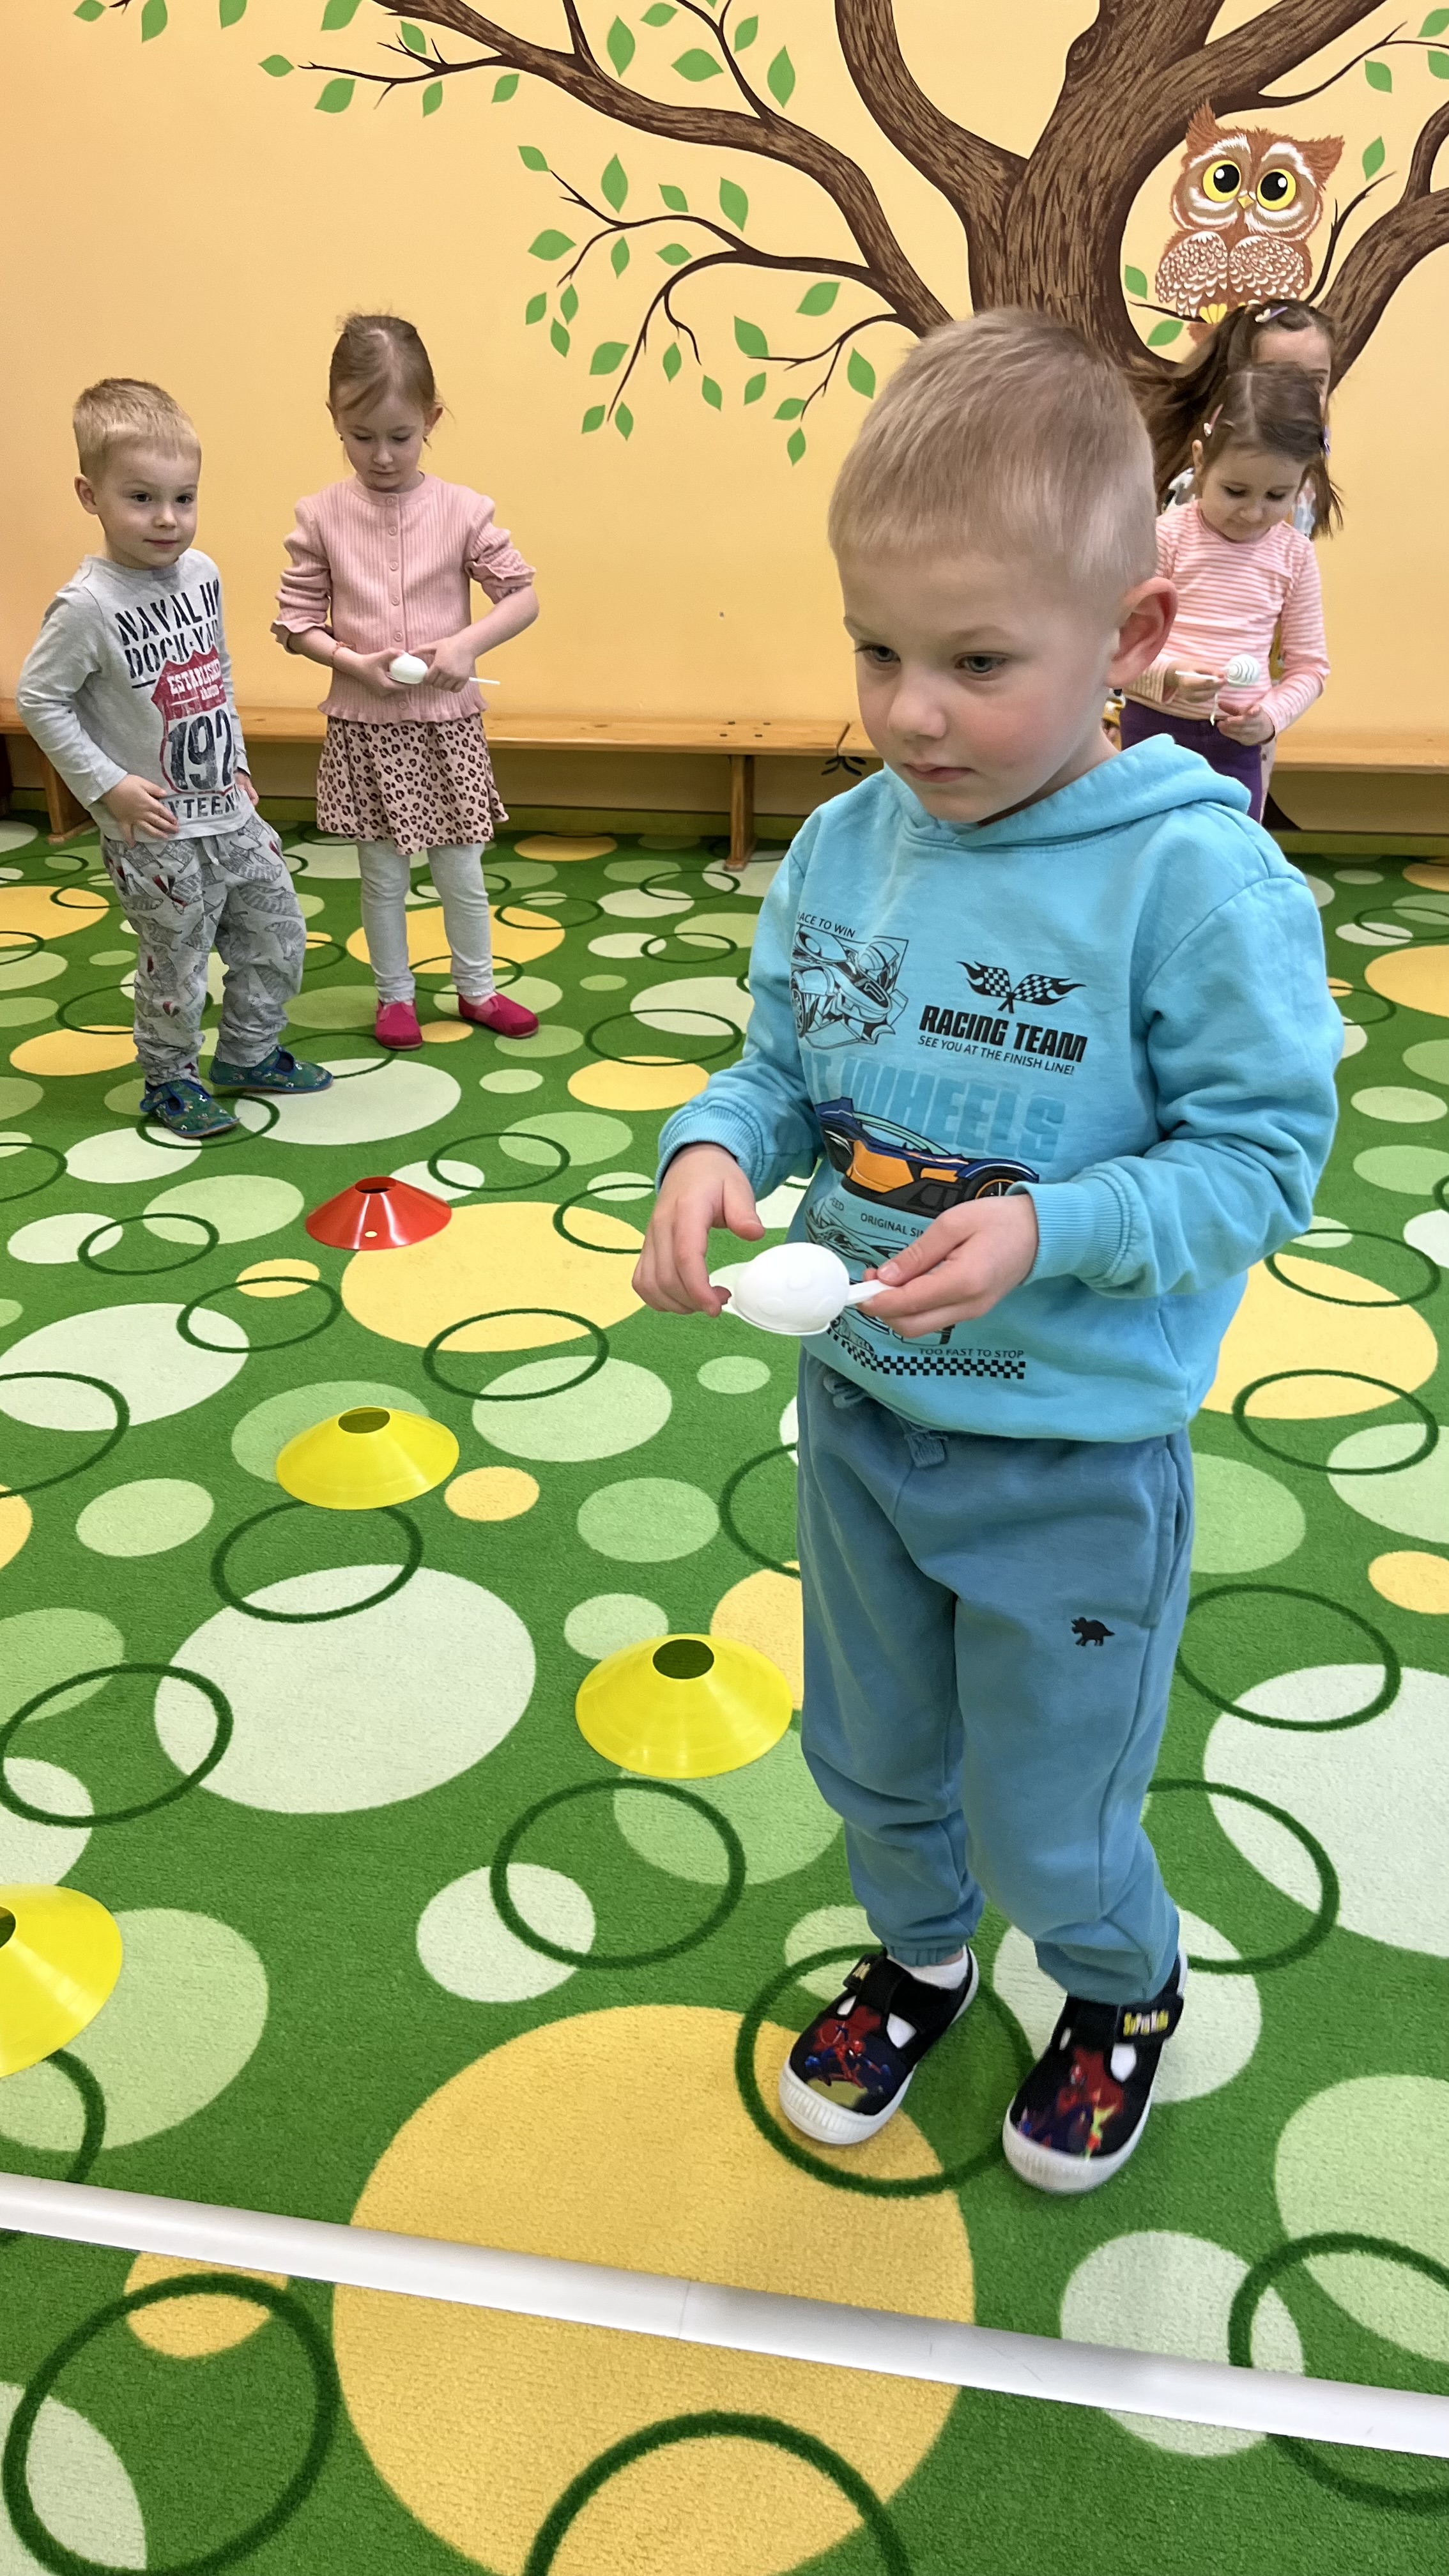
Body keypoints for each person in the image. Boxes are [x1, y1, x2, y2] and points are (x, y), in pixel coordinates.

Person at [634, 312, 1340, 2194]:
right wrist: (713, 1143)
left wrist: (1053, 1226)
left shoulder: (1198, 880)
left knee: (1054, 1802)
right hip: (866, 1425)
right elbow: (783, 1067)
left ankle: (1116, 1983)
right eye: (876, 649)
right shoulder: (844, 849)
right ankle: (923, 1954)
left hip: (1078, 1461)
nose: (912, 713)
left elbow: (1264, 1161)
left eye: (976, 661)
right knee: (873, 1753)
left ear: (1128, 637)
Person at [17, 379, 329, 1139]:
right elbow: (39, 699)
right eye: (141, 498)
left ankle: (248, 1053)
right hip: (153, 830)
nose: (167, 518)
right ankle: (170, 1079)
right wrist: (107, 788)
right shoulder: (86, 606)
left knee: (278, 932)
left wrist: (238, 759)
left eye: (184, 498)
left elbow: (216, 668)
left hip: (229, 808)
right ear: (91, 496)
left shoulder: (202, 575)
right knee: (178, 960)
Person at [273, 313, 540, 1049]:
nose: (383, 456)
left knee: (461, 873)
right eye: (362, 437)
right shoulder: (320, 516)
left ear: (432, 420)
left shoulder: (464, 511)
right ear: (335, 419)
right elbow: (296, 622)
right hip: (367, 730)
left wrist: (466, 644)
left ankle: (477, 989)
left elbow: (522, 597)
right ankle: (395, 997)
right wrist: (349, 662)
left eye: (401, 436)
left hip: (448, 728)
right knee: (383, 878)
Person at [1119, 367, 1330, 822]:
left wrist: (1270, 717)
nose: (1253, 513)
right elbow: (1118, 645)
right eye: (1235, 491)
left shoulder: (1294, 556)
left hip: (1237, 745)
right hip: (1154, 732)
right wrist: (1171, 676)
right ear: (1200, 462)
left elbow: (1311, 668)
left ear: (1301, 485)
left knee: (1232, 848)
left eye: (1277, 495)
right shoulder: (1167, 537)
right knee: (1144, 843)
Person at [1138, 298, 1338, 537]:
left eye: (1316, 381)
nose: (1301, 396)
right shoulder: (1202, 484)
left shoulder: (1305, 485)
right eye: (1278, 378)